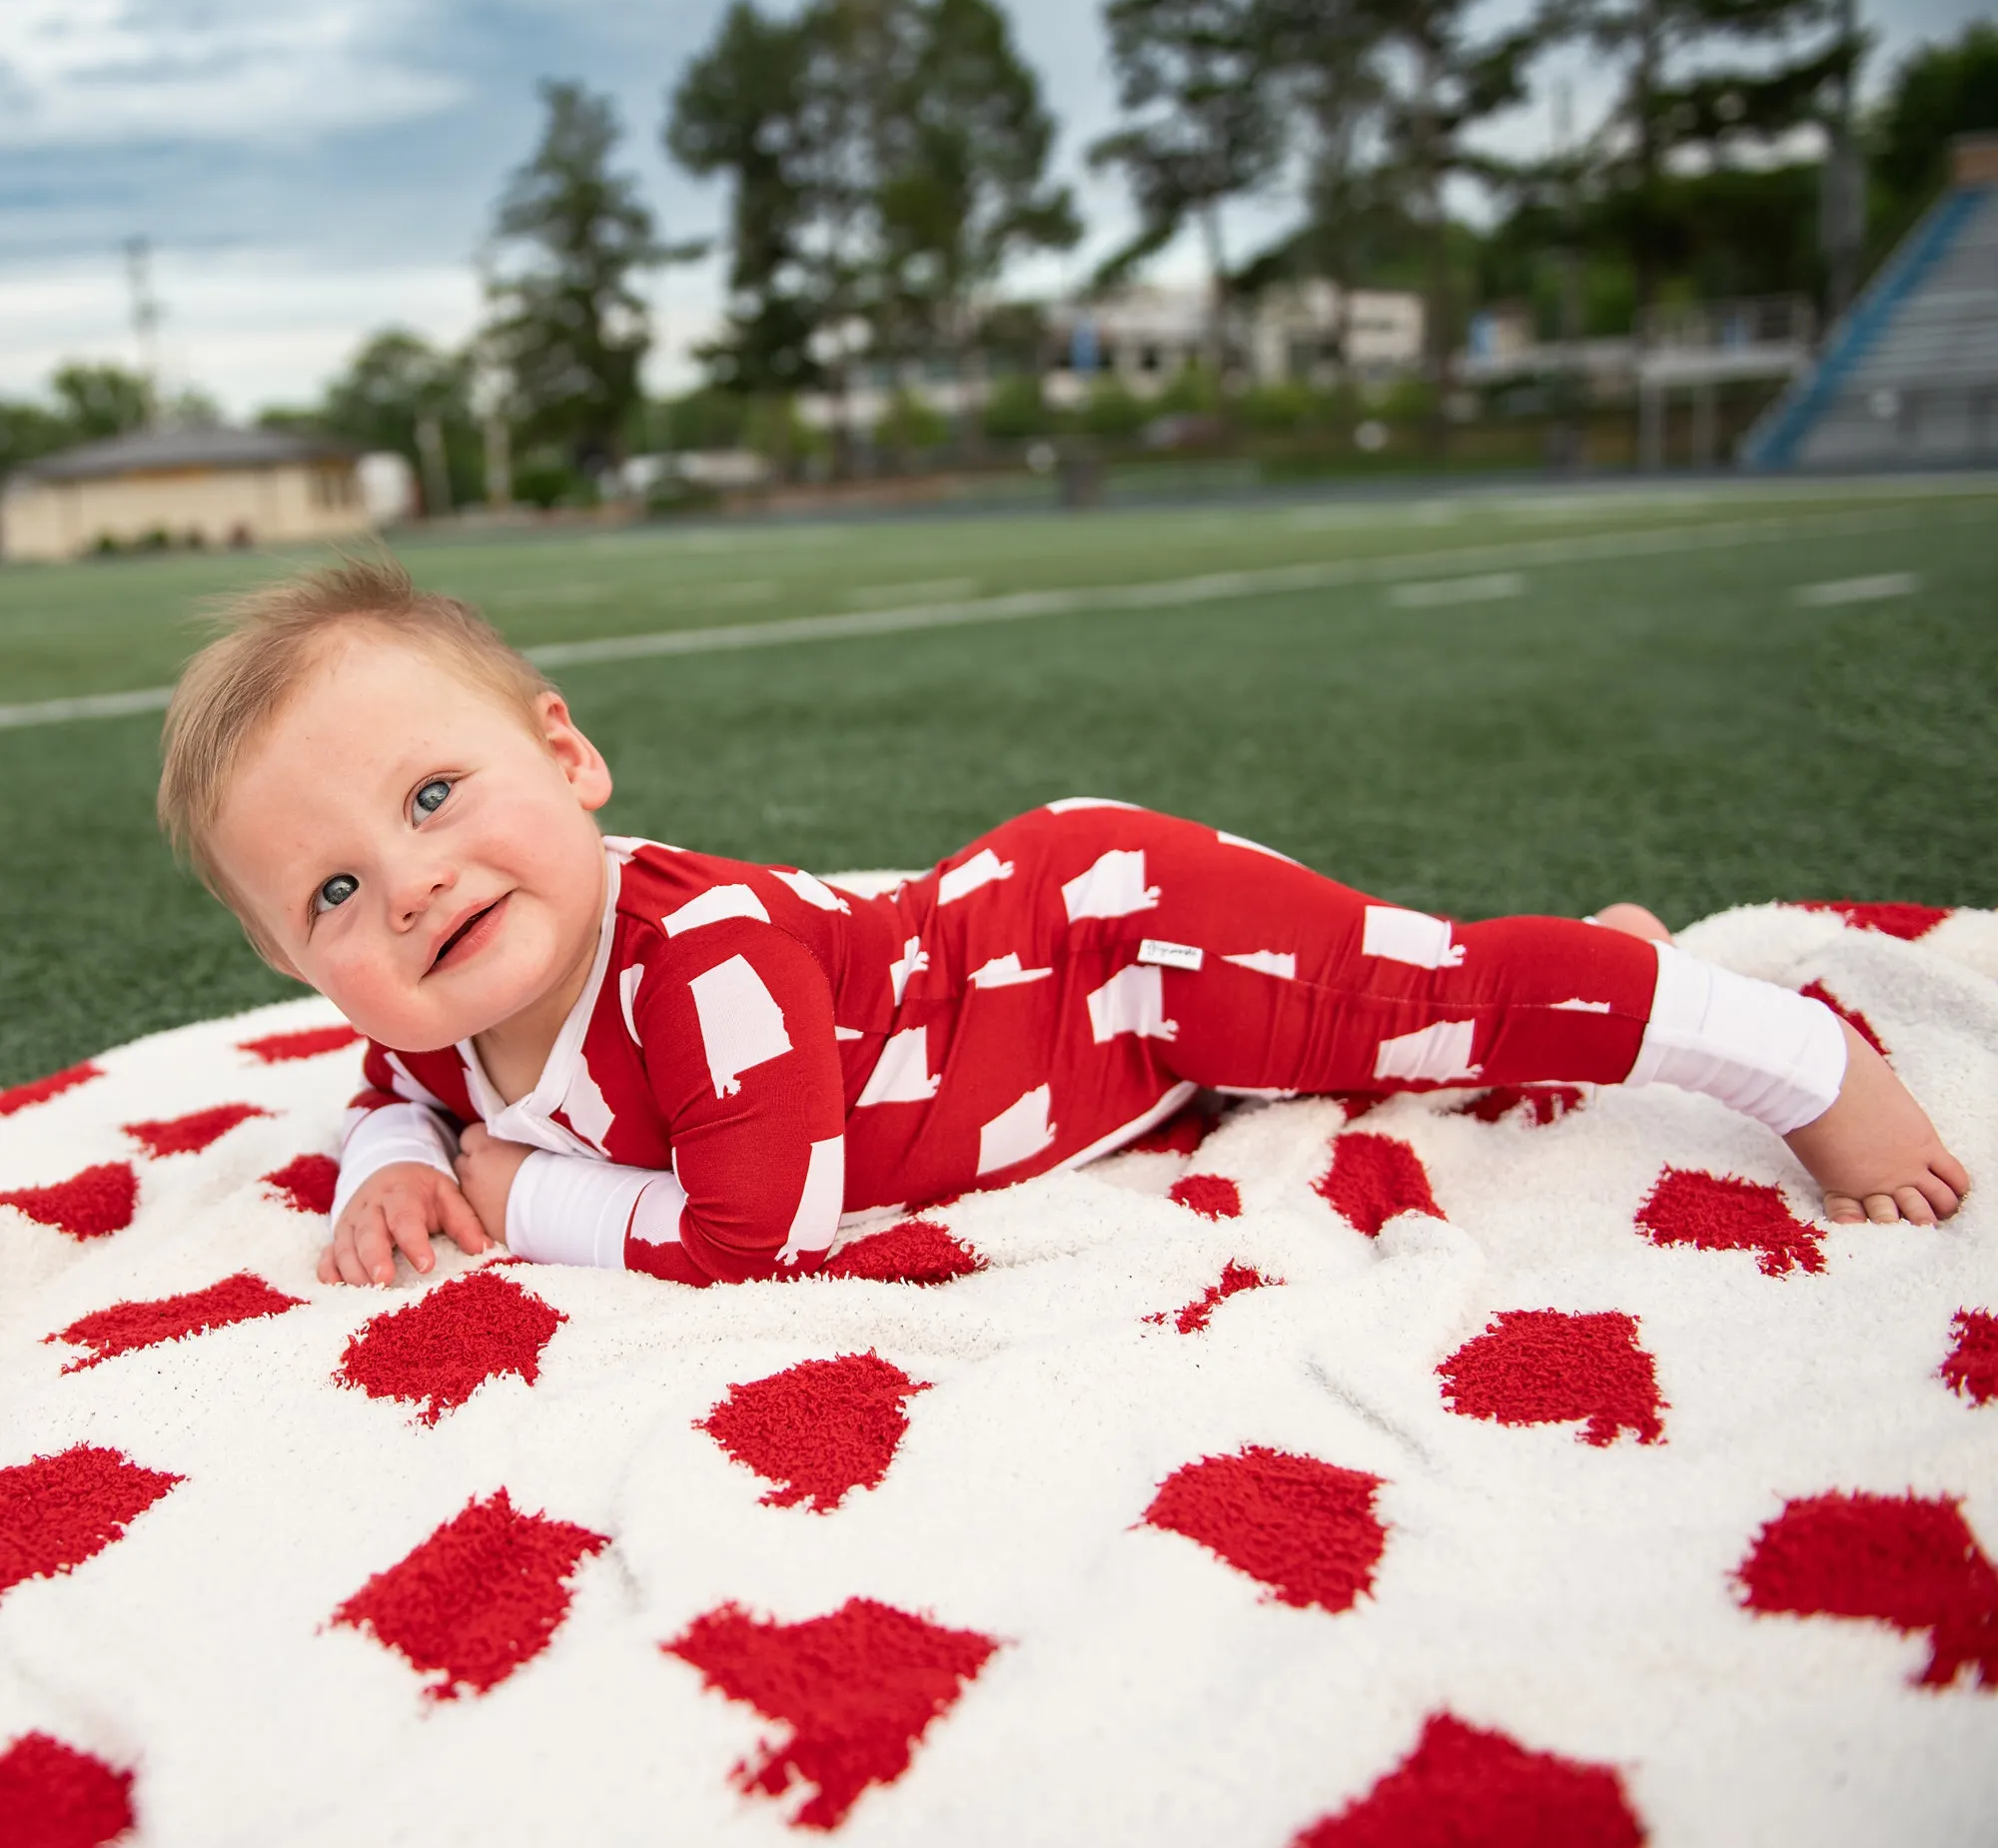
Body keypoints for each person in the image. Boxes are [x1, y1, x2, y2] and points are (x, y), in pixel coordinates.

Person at [156, 558, 1970, 1290]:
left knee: (1412, 999)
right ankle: (1598, 949)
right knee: (1429, 994)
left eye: (432, 797)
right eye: (332, 896)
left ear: (572, 758)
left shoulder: (695, 960)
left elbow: (752, 1228)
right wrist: (384, 1158)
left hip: (1121, 963)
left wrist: (514, 1195)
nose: (407, 885)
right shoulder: (423, 1002)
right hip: (1076, 1036)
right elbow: (401, 1080)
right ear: (298, 962)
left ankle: (1792, 1053)